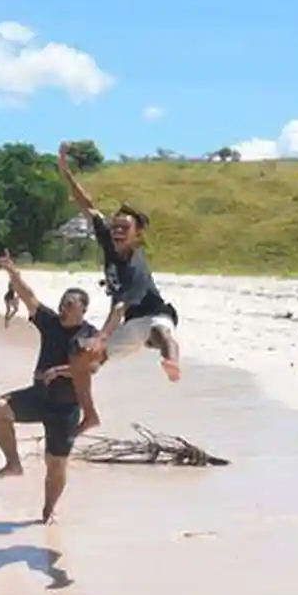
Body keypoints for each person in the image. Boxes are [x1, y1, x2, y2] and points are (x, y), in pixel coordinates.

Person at [56, 141, 181, 435]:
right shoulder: (109, 242)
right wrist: (65, 171)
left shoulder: (136, 267)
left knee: (160, 335)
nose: (118, 231)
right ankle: (89, 415)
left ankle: (171, 360)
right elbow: (87, 205)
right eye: (116, 226)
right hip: (129, 326)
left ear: (138, 234)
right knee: (85, 359)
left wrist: (101, 336)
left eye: (125, 228)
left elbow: (121, 306)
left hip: (155, 315)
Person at [0, 251, 98, 524]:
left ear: (83, 310)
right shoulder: (50, 322)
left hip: (65, 408)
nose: (63, 307)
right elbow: (29, 297)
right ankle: (13, 463)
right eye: (62, 302)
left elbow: (91, 368)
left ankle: (49, 511)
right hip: (39, 397)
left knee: (55, 465)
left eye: (70, 304)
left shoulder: (89, 335)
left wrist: (59, 371)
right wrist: (12, 273)